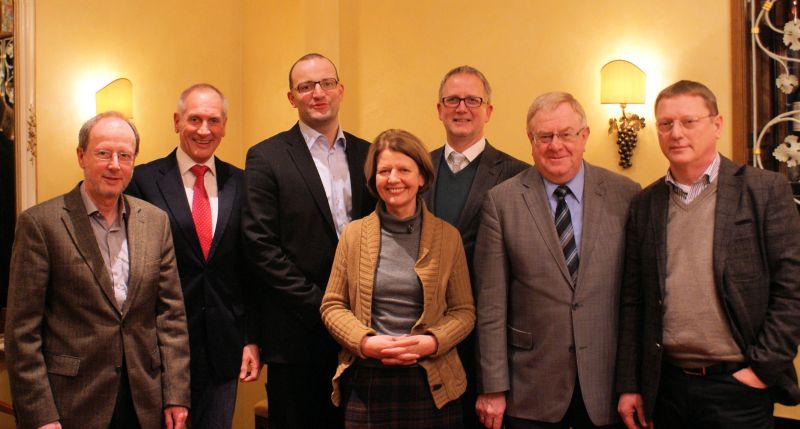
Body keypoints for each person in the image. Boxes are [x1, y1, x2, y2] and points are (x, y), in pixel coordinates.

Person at [616, 80, 800, 429]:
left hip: (737, 386)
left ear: (716, 125)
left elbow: (792, 289)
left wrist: (761, 369)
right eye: (666, 124)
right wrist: (630, 385)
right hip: (666, 385)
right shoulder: (645, 204)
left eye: (689, 121)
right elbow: (633, 301)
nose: (676, 133)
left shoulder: (764, 191)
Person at [5, 111, 190, 429]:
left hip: (143, 401)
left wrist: (176, 395)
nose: (115, 165)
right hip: (72, 404)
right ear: (81, 156)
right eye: (103, 153)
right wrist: (41, 416)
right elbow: (22, 333)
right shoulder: (40, 224)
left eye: (124, 155)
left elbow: (170, 317)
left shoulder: (155, 221)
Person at [474, 92, 640, 429]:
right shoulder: (501, 202)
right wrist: (493, 387)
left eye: (566, 134)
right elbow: (491, 306)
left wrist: (634, 382)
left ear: (585, 136)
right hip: (531, 387)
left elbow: (635, 300)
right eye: (544, 136)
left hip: (607, 386)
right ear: (530, 140)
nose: (556, 145)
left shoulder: (626, 195)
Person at [242, 53, 377, 429]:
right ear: (292, 97)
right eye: (306, 86)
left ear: (340, 90)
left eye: (326, 83)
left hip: (362, 334)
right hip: (297, 336)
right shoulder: (267, 157)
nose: (318, 93)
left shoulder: (369, 155)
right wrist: (324, 307)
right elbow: (260, 246)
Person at [125, 83, 261, 429]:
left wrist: (251, 338)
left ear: (225, 125)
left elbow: (250, 269)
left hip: (223, 349)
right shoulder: (142, 181)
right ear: (176, 121)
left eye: (213, 121)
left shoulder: (242, 183)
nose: (204, 130)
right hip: (158, 351)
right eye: (195, 119)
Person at [320, 128, 476, 428]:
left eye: (404, 169)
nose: (393, 179)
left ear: (421, 177)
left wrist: (432, 341)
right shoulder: (353, 235)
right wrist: (365, 343)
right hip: (368, 379)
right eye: (384, 171)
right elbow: (332, 305)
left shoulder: (448, 237)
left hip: (433, 382)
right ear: (373, 179)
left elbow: (464, 311)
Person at [424, 66, 528, 428]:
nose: (462, 108)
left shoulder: (519, 176)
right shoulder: (415, 169)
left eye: (473, 99)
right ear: (439, 109)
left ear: (488, 111)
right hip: (426, 336)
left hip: (489, 336)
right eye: (452, 99)